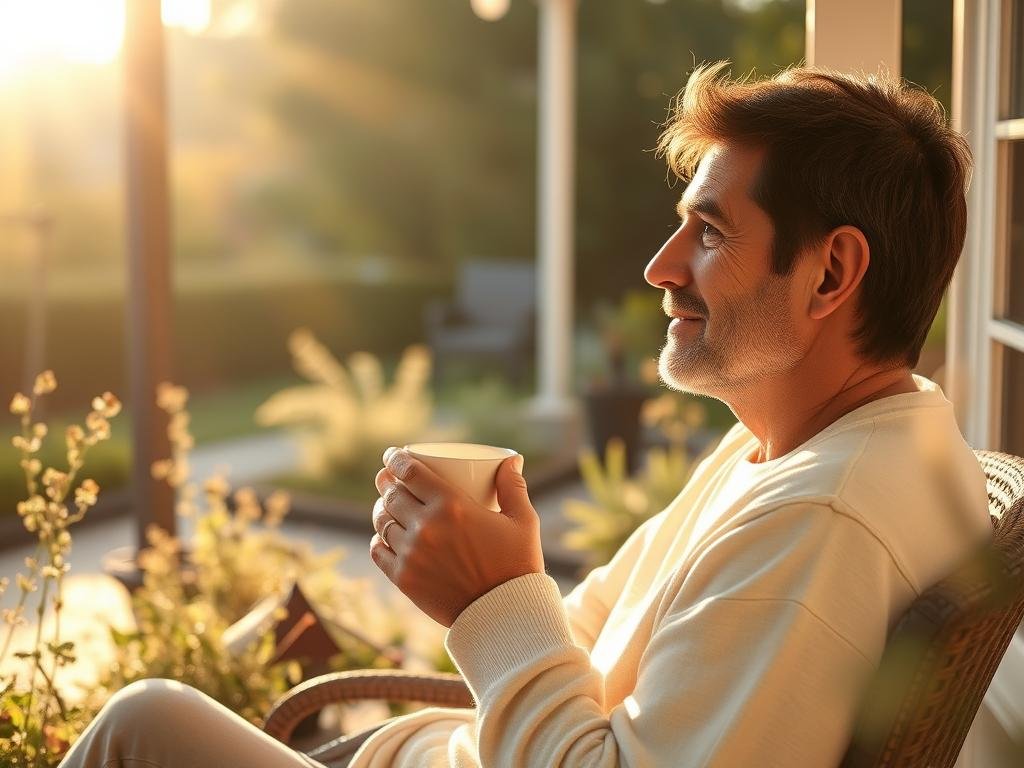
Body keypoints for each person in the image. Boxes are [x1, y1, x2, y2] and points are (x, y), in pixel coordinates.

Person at [59, 61, 990, 768]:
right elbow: (584, 636)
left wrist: (491, 605)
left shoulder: (820, 520)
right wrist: (501, 580)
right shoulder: (816, 447)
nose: (661, 268)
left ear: (831, 272)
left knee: (145, 722)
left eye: (709, 232)